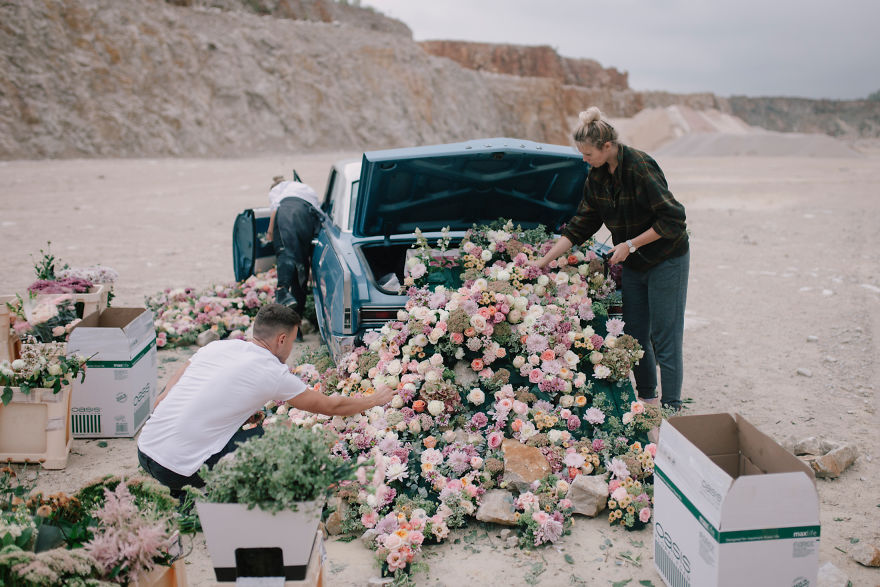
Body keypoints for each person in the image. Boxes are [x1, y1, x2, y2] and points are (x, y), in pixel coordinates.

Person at [136, 304, 394, 497]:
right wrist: (374, 399)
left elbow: (170, 389)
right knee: (276, 436)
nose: (291, 349)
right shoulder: (271, 371)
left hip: (145, 449)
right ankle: (210, 494)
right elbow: (330, 406)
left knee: (248, 424)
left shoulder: (217, 347)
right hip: (176, 471)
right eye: (292, 342)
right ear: (282, 339)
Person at [534, 107, 690, 410]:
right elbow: (582, 223)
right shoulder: (596, 176)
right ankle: (647, 398)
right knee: (634, 333)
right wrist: (544, 260)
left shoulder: (641, 167)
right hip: (633, 263)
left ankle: (672, 408)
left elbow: (674, 220)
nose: (584, 159)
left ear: (608, 147)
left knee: (664, 335)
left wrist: (630, 244)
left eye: (588, 153)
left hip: (666, 258)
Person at [266, 175, 322, 320]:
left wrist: (270, 233)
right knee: (301, 266)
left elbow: (275, 211)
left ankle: (282, 291)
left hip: (288, 214)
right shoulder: (304, 188)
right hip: (308, 217)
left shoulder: (278, 189)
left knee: (284, 251)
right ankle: (297, 323)